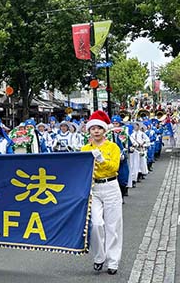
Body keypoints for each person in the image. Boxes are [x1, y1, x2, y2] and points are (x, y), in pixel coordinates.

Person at [81, 110, 122, 275]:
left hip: (111, 186)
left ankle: (113, 261)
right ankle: (99, 257)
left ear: (104, 130)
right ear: (89, 131)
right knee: (96, 224)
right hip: (93, 189)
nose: (96, 131)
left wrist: (101, 160)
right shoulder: (84, 148)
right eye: (93, 128)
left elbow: (115, 168)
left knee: (113, 226)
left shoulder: (113, 147)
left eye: (99, 128)